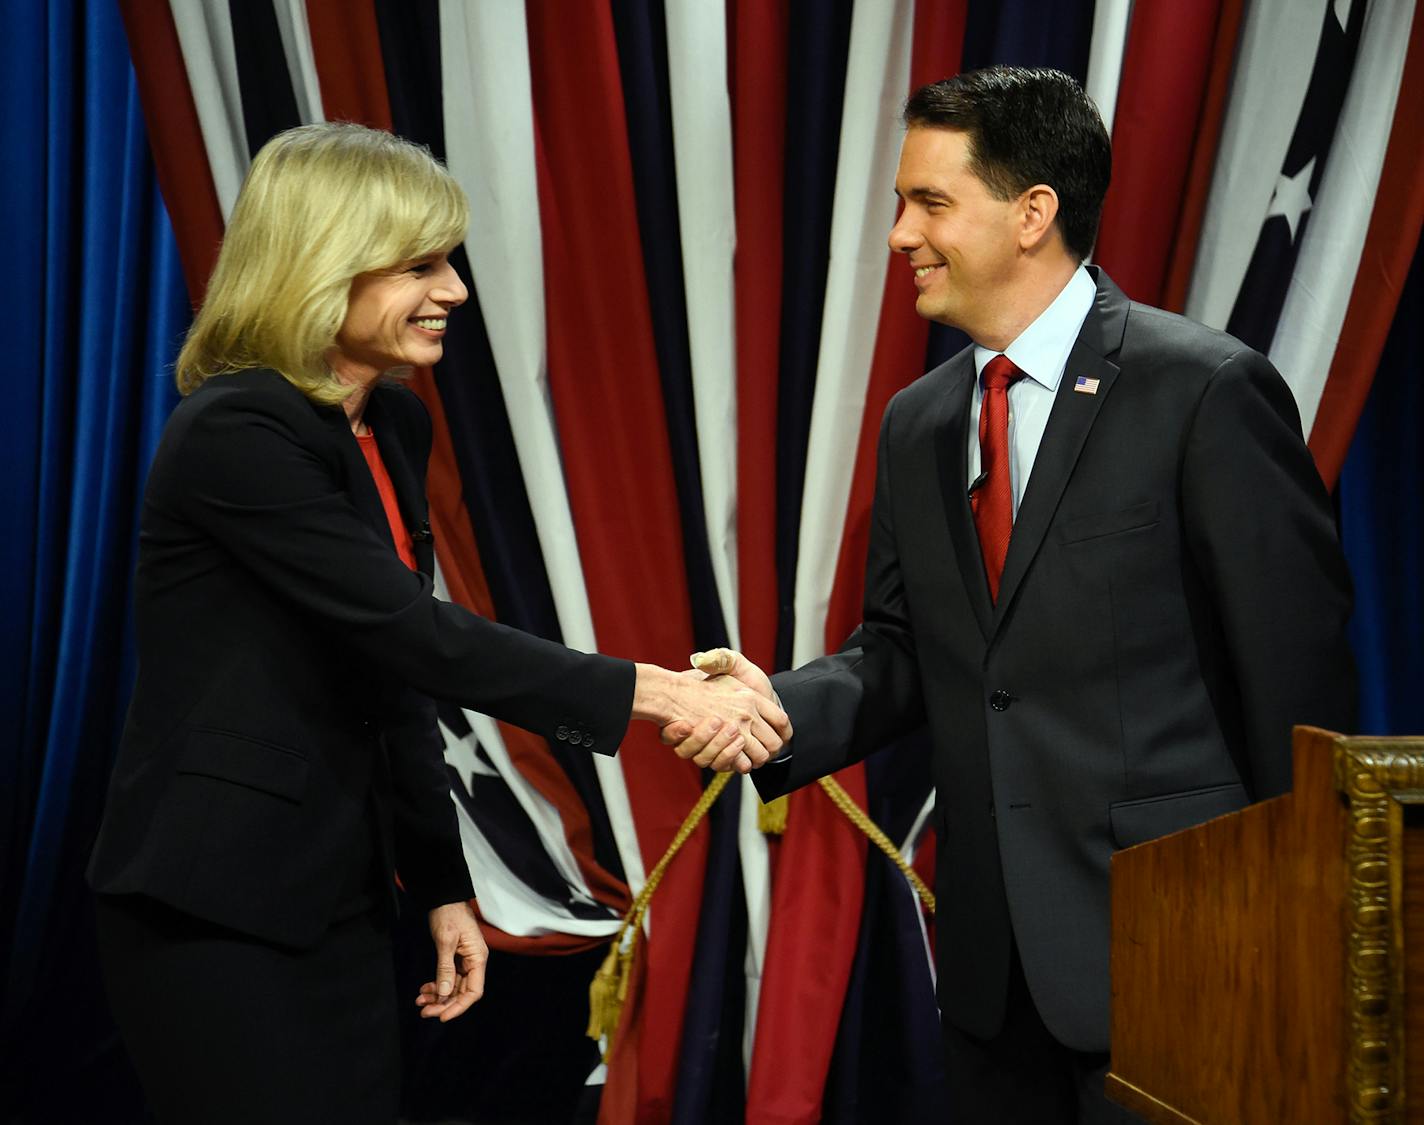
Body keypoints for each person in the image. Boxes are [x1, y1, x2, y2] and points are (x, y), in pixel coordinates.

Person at [668, 67, 1355, 1123]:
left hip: (1188, 952)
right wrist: (769, 710)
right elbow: (904, 653)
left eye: (928, 202)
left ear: (1033, 211)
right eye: (899, 203)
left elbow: (1296, 687)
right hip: (994, 976)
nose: (898, 233)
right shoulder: (919, 421)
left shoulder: (1202, 391)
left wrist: (1305, 944)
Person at [87, 122, 788, 1125]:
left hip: (339, 899)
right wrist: (658, 691)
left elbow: (388, 679)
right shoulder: (237, 431)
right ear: (322, 262)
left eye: (448, 260)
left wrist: (441, 886)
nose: (455, 288)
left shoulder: (390, 422)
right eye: (421, 263)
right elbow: (417, 636)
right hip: (217, 908)